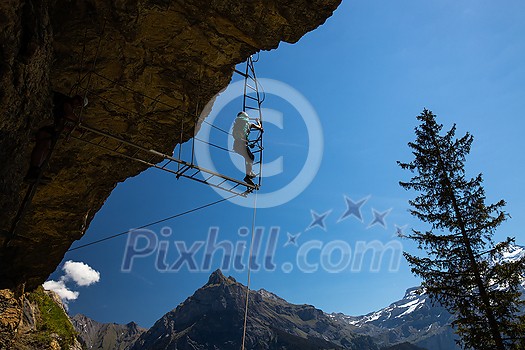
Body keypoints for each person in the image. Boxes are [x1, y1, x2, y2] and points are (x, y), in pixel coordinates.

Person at [24, 92, 85, 183]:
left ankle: (36, 171)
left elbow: (61, 125)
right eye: (78, 101)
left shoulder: (67, 106)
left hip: (50, 127)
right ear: (75, 97)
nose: (77, 104)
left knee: (46, 148)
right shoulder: (66, 101)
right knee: (43, 145)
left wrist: (74, 129)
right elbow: (68, 114)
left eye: (79, 104)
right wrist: (79, 122)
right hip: (46, 124)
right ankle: (34, 170)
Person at [232, 111, 263, 186]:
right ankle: (248, 175)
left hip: (237, 145)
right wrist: (258, 122)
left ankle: (249, 173)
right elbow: (260, 127)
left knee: (249, 157)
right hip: (241, 144)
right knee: (250, 157)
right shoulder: (249, 124)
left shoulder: (237, 124)